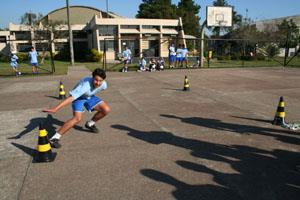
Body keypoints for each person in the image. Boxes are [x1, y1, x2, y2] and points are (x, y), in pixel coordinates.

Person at [43, 68, 111, 148]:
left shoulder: (104, 85)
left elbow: (94, 90)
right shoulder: (85, 85)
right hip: (78, 97)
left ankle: (90, 124)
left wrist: (90, 99)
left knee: (106, 110)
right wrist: (56, 108)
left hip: (89, 96)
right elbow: (71, 98)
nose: (98, 83)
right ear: (92, 77)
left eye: (100, 81)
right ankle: (54, 138)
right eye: (96, 80)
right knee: (77, 119)